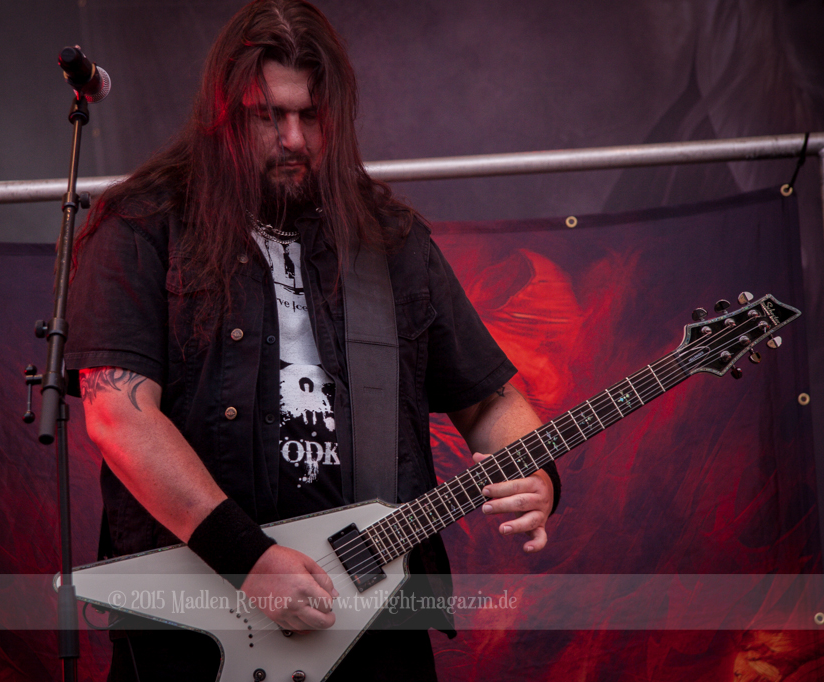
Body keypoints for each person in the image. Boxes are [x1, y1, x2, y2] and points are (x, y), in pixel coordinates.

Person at [65, 1, 559, 679]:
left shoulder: (390, 239)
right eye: (267, 116)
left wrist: (536, 472)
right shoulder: (143, 224)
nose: (293, 139)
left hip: (372, 615)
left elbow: (488, 400)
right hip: (198, 624)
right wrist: (247, 559)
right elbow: (118, 415)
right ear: (222, 116)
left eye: (312, 115)